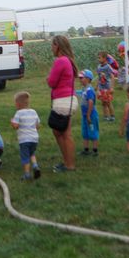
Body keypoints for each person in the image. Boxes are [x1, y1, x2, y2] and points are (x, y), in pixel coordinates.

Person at [46, 35, 78, 172]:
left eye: (52, 45)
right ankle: (66, 161)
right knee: (59, 131)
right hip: (68, 99)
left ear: (57, 46)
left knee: (65, 134)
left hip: (62, 101)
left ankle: (69, 164)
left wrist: (48, 77)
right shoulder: (68, 61)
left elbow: (51, 82)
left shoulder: (60, 61)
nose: (51, 48)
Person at [10, 91, 40, 181]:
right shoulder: (33, 112)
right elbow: (38, 125)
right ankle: (35, 165)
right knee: (32, 153)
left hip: (24, 139)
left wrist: (12, 122)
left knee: (25, 156)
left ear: (18, 104)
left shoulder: (18, 113)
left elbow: (16, 126)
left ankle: (27, 174)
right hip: (34, 138)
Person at [77, 69, 100, 157]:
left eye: (82, 78)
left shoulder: (89, 90)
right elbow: (81, 94)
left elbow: (91, 102)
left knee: (93, 131)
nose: (80, 79)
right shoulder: (84, 89)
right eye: (80, 78)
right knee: (85, 132)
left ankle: (95, 151)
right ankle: (86, 149)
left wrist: (88, 115)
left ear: (88, 79)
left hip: (91, 115)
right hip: (85, 115)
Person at [96, 51, 116, 121]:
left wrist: (112, 88)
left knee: (108, 103)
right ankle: (106, 117)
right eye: (98, 58)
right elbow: (99, 78)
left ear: (104, 58)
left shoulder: (108, 67)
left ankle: (112, 116)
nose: (98, 59)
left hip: (107, 88)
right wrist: (97, 87)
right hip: (101, 88)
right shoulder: (98, 67)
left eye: (99, 58)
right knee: (103, 103)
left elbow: (112, 77)